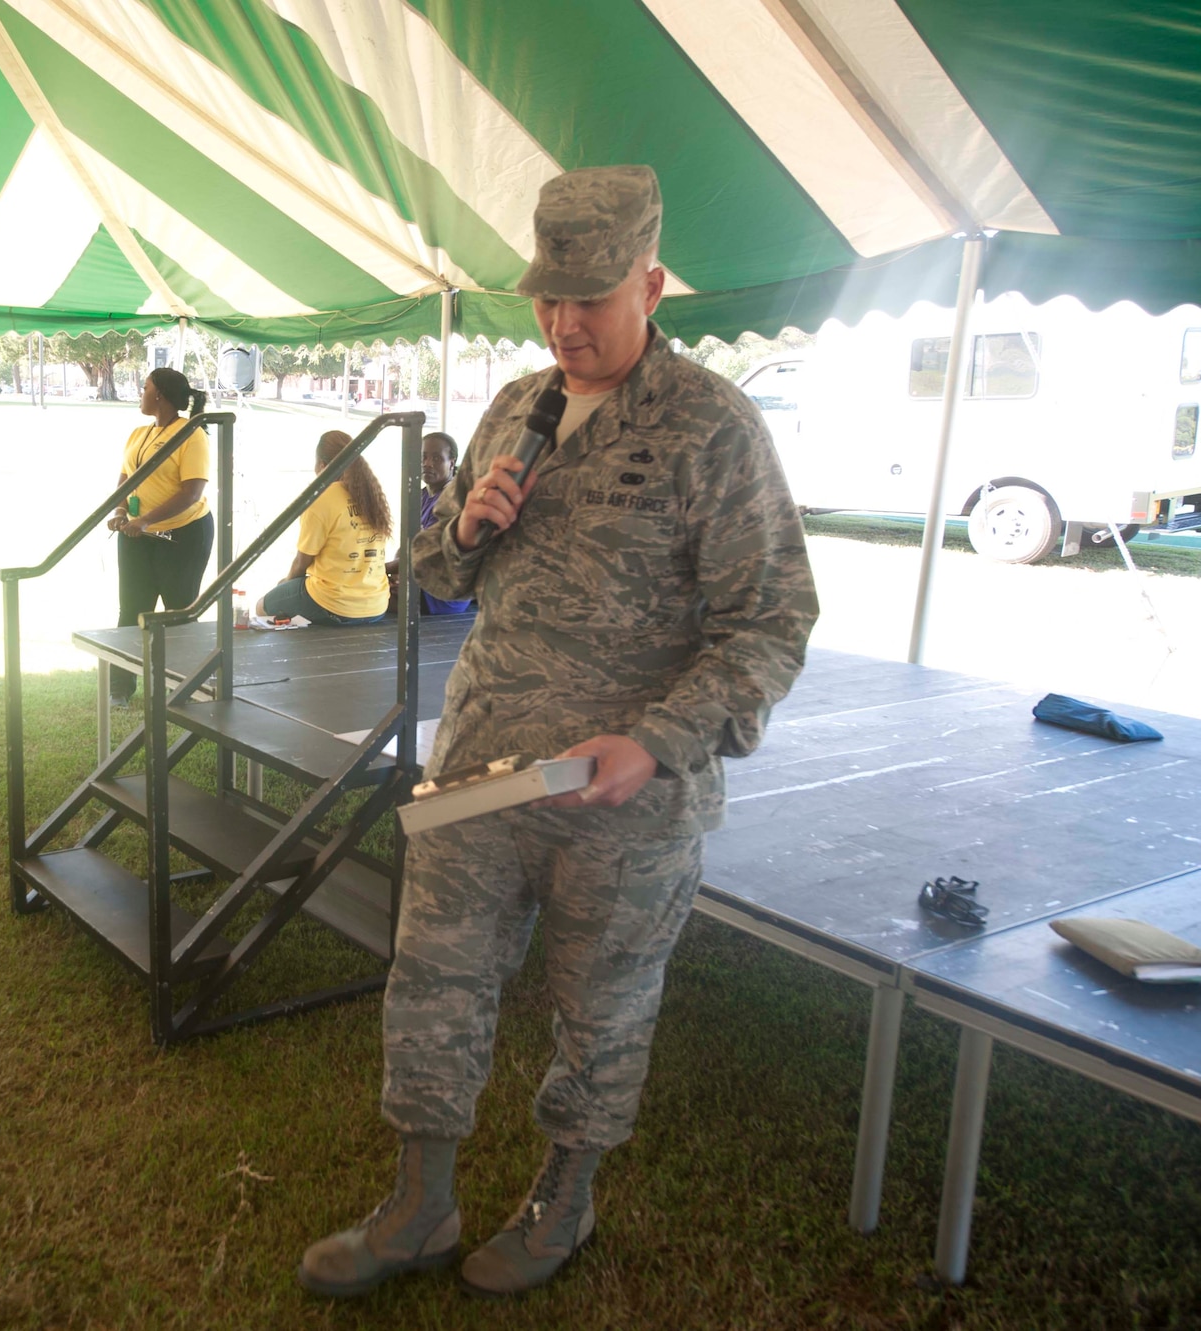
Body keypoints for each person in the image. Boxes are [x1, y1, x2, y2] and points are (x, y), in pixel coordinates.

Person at [298, 166, 819, 1300]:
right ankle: (419, 1201)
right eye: (547, 299)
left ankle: (560, 1200)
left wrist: (660, 739)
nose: (564, 325)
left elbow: (770, 621)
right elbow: (429, 567)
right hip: (481, 772)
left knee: (599, 1008)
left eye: (589, 299)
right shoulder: (515, 406)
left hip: (617, 797)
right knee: (431, 978)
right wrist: (463, 527)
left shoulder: (712, 428)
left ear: (650, 282)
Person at [106, 366, 212, 703]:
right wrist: (121, 511)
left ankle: (182, 688)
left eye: (145, 387)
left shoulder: (191, 434)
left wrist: (147, 520)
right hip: (137, 534)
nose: (141, 392)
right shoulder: (139, 433)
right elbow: (126, 478)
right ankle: (120, 689)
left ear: (160, 395)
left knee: (178, 613)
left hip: (184, 536)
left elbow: (191, 493)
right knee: (131, 611)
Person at [257, 429, 391, 626]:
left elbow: (301, 562)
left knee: (263, 606)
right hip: (376, 605)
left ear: (321, 465)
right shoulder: (372, 495)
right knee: (288, 592)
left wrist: (287, 584)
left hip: (334, 604)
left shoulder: (320, 498)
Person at [387, 431, 473, 617]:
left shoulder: (452, 501)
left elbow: (434, 555)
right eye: (423, 457)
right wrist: (397, 573)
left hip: (443, 592)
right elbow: (409, 544)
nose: (427, 463)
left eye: (436, 458)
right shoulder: (421, 495)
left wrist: (380, 570)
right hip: (420, 580)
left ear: (452, 462)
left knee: (363, 598)